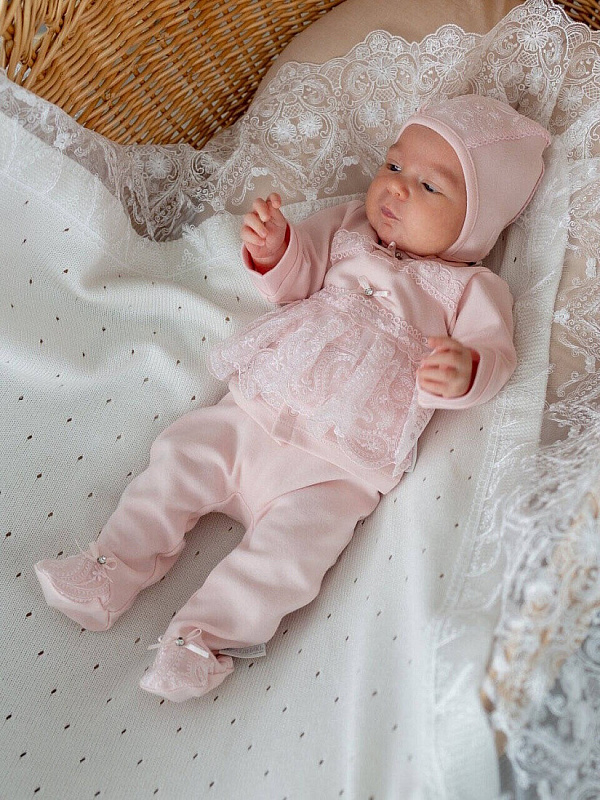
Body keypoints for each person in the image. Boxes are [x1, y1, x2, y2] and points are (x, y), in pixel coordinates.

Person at [34, 95, 550, 702]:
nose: (396, 188)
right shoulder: (348, 226)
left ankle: (202, 641)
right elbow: (296, 279)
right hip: (254, 412)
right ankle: (110, 568)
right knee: (179, 458)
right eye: (392, 166)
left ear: (476, 223)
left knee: (287, 559)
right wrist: (276, 247)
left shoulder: (471, 289)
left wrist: (465, 370)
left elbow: (495, 354)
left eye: (429, 186)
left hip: (336, 467)